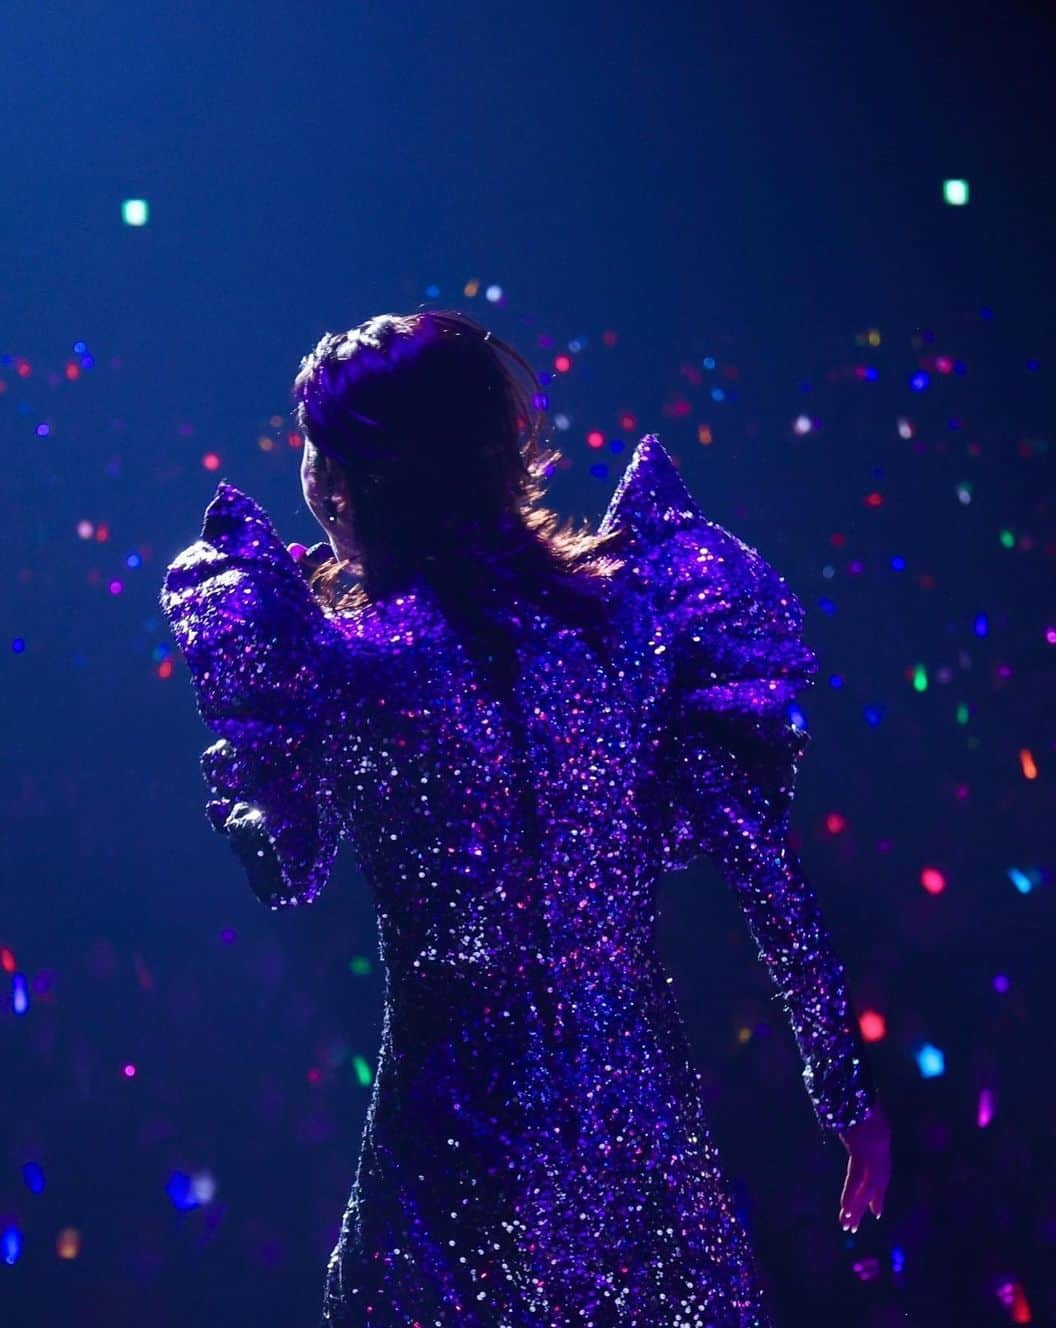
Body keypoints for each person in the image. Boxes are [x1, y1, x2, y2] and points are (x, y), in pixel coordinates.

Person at [160, 309, 890, 1326]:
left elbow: (293, 871)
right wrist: (843, 1090)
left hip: (459, 1142)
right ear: (504, 449)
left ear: (352, 478)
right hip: (638, 1133)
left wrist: (248, 785)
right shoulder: (633, 628)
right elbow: (761, 861)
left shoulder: (355, 662)